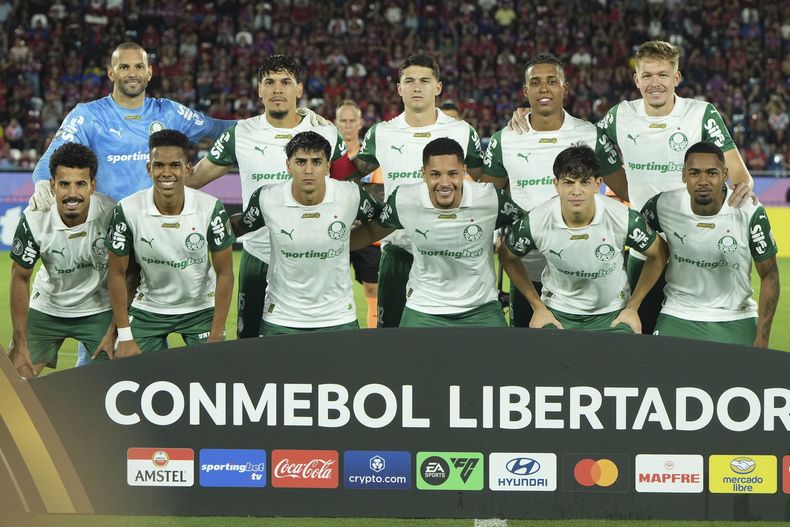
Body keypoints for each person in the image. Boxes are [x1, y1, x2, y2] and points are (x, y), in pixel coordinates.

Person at [509, 41, 754, 334]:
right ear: (636, 80)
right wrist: (533, 113)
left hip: (693, 245)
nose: (655, 83)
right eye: (647, 75)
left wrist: (744, 187)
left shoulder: (701, 114)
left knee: (697, 330)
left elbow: (739, 174)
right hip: (645, 247)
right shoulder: (619, 116)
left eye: (663, 75)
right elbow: (578, 137)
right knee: (641, 334)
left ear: (676, 78)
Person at [27, 42, 235, 367]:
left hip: (159, 243)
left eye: (138, 66)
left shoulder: (169, 113)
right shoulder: (89, 116)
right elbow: (52, 156)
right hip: (109, 244)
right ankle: (91, 396)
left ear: (149, 72)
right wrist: (42, 181)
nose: (132, 73)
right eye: (124, 67)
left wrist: (271, 126)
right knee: (102, 338)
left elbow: (219, 129)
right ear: (111, 72)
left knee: (154, 330)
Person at [187, 54, 347, 339]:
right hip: (258, 254)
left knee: (315, 341)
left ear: (299, 89)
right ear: (259, 90)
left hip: (311, 256)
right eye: (269, 82)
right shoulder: (241, 133)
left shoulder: (325, 132)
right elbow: (194, 180)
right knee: (248, 343)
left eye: (286, 82)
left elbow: (348, 184)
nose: (277, 89)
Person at [333, 53, 485, 327]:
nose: (417, 87)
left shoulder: (462, 131)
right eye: (410, 81)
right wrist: (320, 133)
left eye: (425, 81)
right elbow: (348, 172)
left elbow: (486, 180)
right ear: (399, 88)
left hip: (449, 252)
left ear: (437, 87)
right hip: (398, 251)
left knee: (451, 342)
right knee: (392, 341)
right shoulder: (382, 133)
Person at [482, 53, 626, 327]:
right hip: (527, 272)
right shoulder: (505, 140)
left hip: (587, 271)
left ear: (565, 87)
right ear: (526, 91)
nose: (544, 88)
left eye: (552, 81)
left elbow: (629, 190)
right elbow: (486, 199)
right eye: (535, 82)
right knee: (529, 358)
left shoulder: (590, 134)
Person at [351, 138, 523, 327]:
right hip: (424, 309)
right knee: (405, 356)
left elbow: (526, 224)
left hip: (481, 308)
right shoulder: (404, 200)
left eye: (452, 174)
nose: (444, 183)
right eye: (435, 174)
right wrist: (330, 244)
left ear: (464, 171)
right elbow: (371, 232)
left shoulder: (489, 199)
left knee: (501, 357)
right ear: (423, 174)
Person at [499, 143, 667, 333]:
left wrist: (632, 307)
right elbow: (507, 255)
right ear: (556, 185)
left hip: (613, 314)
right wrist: (537, 307)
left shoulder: (623, 218)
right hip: (557, 314)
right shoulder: (536, 221)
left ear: (598, 184)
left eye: (584, 182)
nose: (576, 191)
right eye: (568, 182)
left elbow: (659, 252)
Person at [233, 131, 379, 335]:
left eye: (316, 162)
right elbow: (235, 228)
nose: (309, 170)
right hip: (281, 318)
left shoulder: (350, 195)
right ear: (288, 166)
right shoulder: (267, 199)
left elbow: (383, 220)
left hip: (338, 318)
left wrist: (351, 241)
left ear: (328, 166)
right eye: (301, 162)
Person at [105, 130, 235, 357]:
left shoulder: (210, 208)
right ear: (149, 169)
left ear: (187, 169)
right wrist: (124, 336)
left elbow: (225, 273)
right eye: (159, 165)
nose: (166, 173)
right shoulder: (127, 209)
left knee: (215, 375)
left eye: (175, 165)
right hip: (149, 308)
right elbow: (116, 274)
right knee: (122, 371)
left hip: (200, 308)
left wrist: (216, 334)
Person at [642, 142, 779, 347]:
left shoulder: (750, 211)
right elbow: (635, 243)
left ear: (725, 175)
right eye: (695, 173)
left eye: (712, 173)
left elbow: (769, 275)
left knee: (744, 380)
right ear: (684, 175)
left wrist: (762, 338)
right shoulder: (662, 205)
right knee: (655, 378)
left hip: (736, 317)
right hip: (678, 313)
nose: (703, 181)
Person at [9, 143, 115, 377]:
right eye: (64, 184)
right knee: (15, 383)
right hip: (47, 307)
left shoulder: (111, 215)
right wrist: (19, 342)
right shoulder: (35, 219)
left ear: (93, 186)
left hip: (98, 309)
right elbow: (19, 277)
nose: (72, 193)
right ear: (52, 185)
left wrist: (118, 329)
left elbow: (126, 274)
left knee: (114, 385)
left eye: (81, 184)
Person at [335, 99, 381, 329]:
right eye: (343, 120)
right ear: (336, 123)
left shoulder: (371, 156)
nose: (348, 125)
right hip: (335, 232)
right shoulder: (329, 157)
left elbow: (379, 192)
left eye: (352, 120)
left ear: (361, 123)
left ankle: (373, 335)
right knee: (333, 286)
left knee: (373, 287)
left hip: (366, 233)